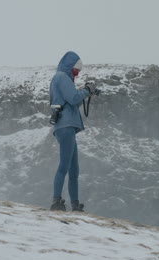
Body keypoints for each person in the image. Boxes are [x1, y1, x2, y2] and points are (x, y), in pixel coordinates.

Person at [49, 51, 99, 212]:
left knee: (74, 169)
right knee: (64, 166)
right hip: (66, 126)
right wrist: (86, 91)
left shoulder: (62, 78)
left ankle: (75, 205)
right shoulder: (62, 77)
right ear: (70, 66)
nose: (77, 73)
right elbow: (74, 99)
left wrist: (87, 92)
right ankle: (56, 201)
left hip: (66, 126)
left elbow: (71, 102)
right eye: (76, 70)